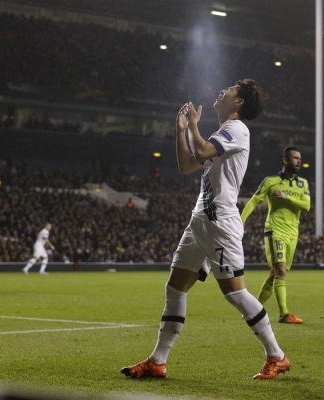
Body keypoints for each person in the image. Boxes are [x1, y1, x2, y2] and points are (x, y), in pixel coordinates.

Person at [121, 79, 290, 380]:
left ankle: (277, 356)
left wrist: (194, 127)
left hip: (220, 221)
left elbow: (199, 151)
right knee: (174, 288)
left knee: (235, 293)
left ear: (239, 102)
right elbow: (187, 165)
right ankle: (158, 361)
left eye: (233, 89)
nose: (224, 90)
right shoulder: (221, 133)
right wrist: (181, 130)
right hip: (200, 218)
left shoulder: (236, 129)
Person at [241, 146, 310, 324]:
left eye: (300, 158)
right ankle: (284, 314)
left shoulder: (303, 183)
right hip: (275, 230)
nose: (299, 161)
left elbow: (306, 206)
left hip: (293, 233)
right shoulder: (271, 181)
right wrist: (241, 220)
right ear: (285, 160)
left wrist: (287, 197)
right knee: (280, 271)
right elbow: (254, 200)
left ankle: (252, 310)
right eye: (295, 158)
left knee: (275, 273)